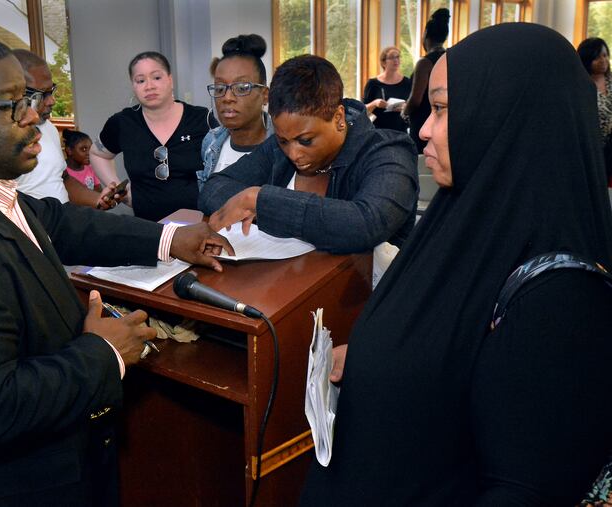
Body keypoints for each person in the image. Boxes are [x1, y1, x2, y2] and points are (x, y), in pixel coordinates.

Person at [0, 27, 233, 507]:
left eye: (31, 100)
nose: (35, 122)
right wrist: (104, 353)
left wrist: (173, 238)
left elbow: (58, 222)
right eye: (10, 105)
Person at [301, 23, 612, 505]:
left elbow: (521, 489)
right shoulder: (464, 217)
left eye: (442, 110)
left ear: (505, 118)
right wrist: (369, 359)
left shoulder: (561, 297)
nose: (424, 128)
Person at [198, 55, 418, 254]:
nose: (293, 153)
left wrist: (261, 201)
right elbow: (213, 188)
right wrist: (251, 201)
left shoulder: (390, 152)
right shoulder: (277, 148)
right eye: (284, 140)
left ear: (339, 118)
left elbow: (365, 224)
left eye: (306, 141)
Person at [90, 51, 212, 221]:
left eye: (156, 77)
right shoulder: (122, 123)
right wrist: (119, 189)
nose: (149, 86)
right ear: (133, 86)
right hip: (149, 231)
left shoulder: (202, 119)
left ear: (170, 80)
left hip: (200, 227)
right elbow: (97, 153)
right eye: (140, 80)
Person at [11, 49, 113, 209]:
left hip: (63, 224)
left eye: (51, 91)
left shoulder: (49, 128)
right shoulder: (2, 140)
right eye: (42, 94)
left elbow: (63, 179)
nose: (52, 101)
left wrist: (97, 199)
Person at [198, 34, 274, 190]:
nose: (227, 98)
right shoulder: (211, 141)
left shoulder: (282, 147)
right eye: (219, 88)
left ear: (264, 95)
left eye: (241, 88)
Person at [403, 8, 449, 153]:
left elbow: (416, 99)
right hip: (443, 120)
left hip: (424, 122)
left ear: (425, 36)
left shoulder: (425, 63)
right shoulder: (449, 58)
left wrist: (405, 111)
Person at [578, 37, 612, 185]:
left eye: (605, 55)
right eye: (597, 57)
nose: (603, 60)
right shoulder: (580, 84)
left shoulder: (611, 81)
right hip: (592, 147)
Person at [362, 46, 412, 132]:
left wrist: (405, 107)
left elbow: (412, 107)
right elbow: (362, 110)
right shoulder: (373, 83)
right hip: (378, 132)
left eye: (398, 57)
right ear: (383, 62)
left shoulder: (407, 82)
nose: (396, 60)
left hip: (401, 131)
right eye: (392, 57)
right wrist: (375, 103)